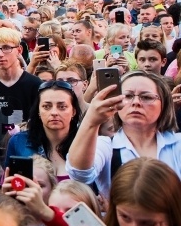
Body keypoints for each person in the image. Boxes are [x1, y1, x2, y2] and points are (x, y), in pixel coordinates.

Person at [67, 70, 181, 200]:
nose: (136, 102)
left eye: (146, 97)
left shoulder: (178, 144)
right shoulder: (106, 146)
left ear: (164, 104)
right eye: (127, 96)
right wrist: (91, 120)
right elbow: (79, 174)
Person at [0, 28, 42, 153]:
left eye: (6, 48)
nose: (0, 54)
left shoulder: (34, 84)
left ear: (19, 50)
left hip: (26, 152)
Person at [6, 80, 81, 180]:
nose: (54, 112)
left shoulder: (86, 143)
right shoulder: (19, 142)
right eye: (47, 106)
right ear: (38, 111)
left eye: (62, 107)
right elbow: (9, 186)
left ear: (73, 111)